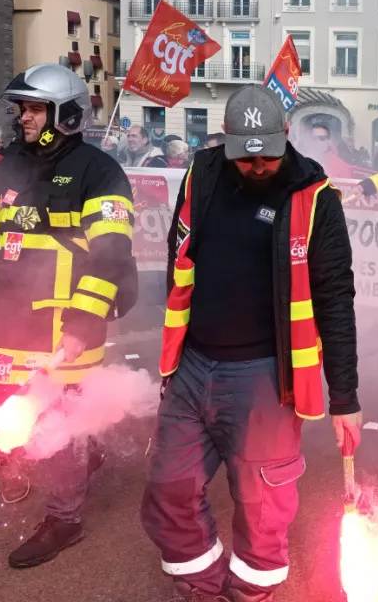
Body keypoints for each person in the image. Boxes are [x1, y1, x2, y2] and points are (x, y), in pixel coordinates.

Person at [141, 85, 363, 602]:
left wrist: (345, 399)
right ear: (226, 141)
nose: (258, 165)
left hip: (264, 378)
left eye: (268, 153)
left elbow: (335, 300)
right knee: (169, 488)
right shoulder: (204, 173)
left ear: (286, 135)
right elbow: (181, 256)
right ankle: (202, 586)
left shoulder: (316, 198)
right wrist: (173, 357)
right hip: (192, 366)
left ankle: (251, 594)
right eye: (246, 156)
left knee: (263, 508)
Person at [0, 63, 138, 566]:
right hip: (8, 320)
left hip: (67, 323)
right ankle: (85, 453)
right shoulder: (10, 166)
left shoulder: (100, 171)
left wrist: (82, 325)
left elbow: (110, 256)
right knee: (13, 412)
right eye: (22, 109)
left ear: (65, 115)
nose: (23, 118)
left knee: (58, 420)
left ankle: (65, 517)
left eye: (34, 108)